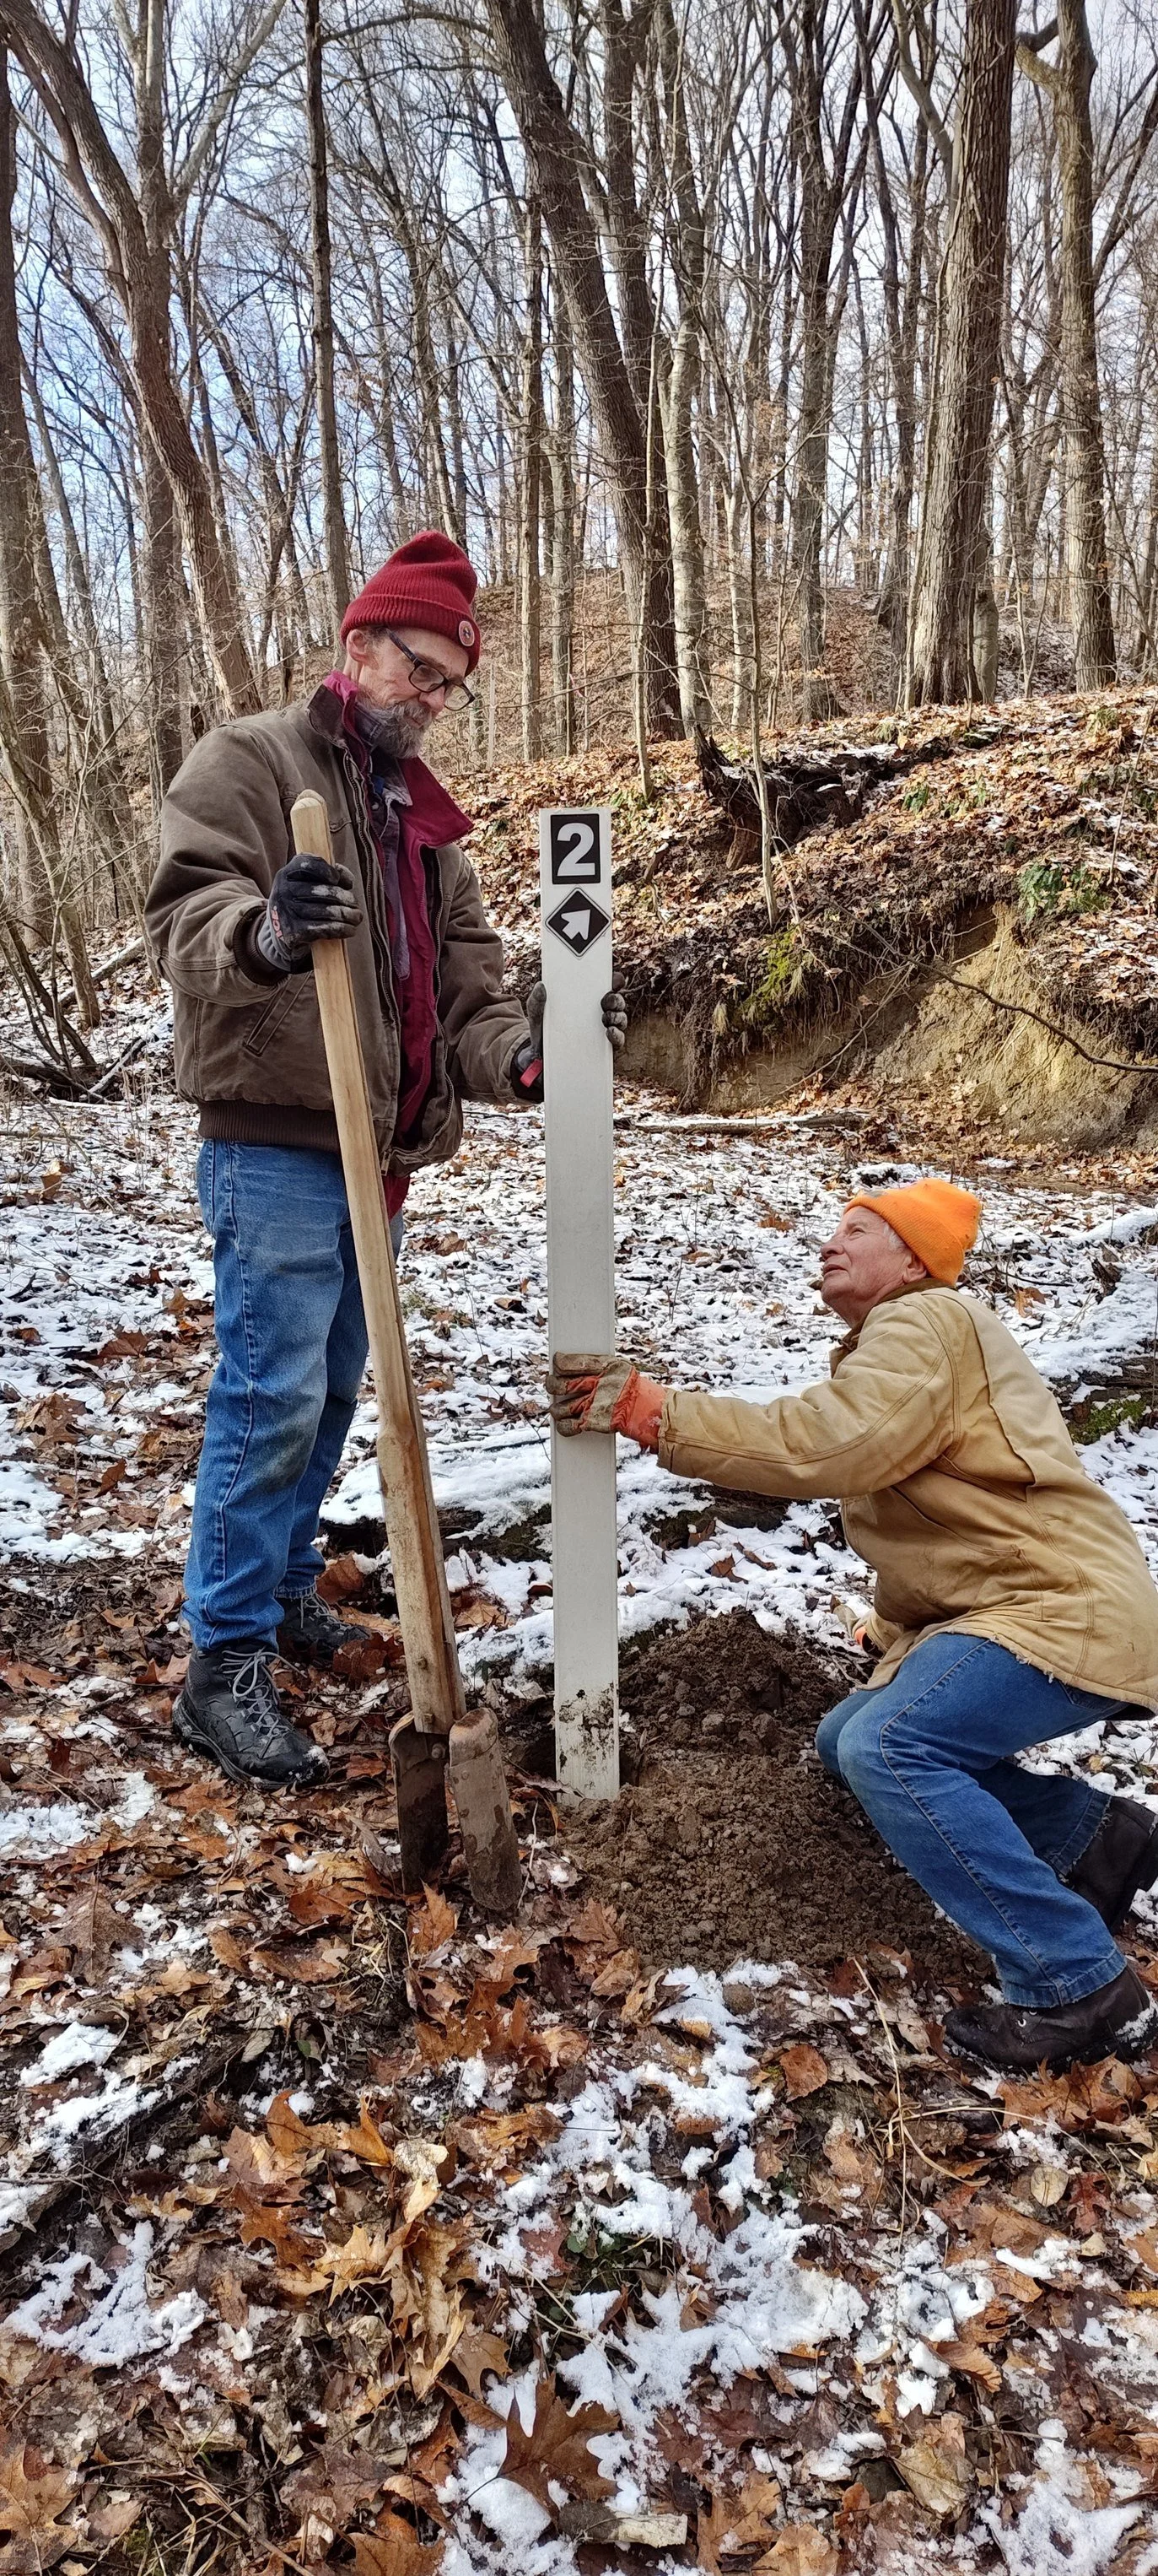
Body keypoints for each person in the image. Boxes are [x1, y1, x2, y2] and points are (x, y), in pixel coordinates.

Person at [148, 530, 625, 1790]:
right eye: (418, 669)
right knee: (272, 1399)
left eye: (449, 686)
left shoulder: (427, 829)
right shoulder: (250, 762)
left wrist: (531, 1062)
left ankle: (282, 1588)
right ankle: (223, 1662)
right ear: (358, 646)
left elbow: (469, 1003)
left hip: (385, 1165)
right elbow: (184, 912)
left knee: (335, 1394)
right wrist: (263, 928)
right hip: (284, 1146)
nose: (432, 699)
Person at [547, 1178, 1158, 2074]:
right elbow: (955, 1528)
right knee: (847, 1737)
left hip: (1054, 1603)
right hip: (1024, 1598)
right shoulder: (902, 1342)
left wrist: (658, 1414)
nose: (830, 1243)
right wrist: (894, 1633)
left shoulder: (923, 1322)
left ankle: (1074, 1980)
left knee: (891, 1746)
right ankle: (1092, 1839)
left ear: (911, 1258)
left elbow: (825, 1445)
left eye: (857, 1229)